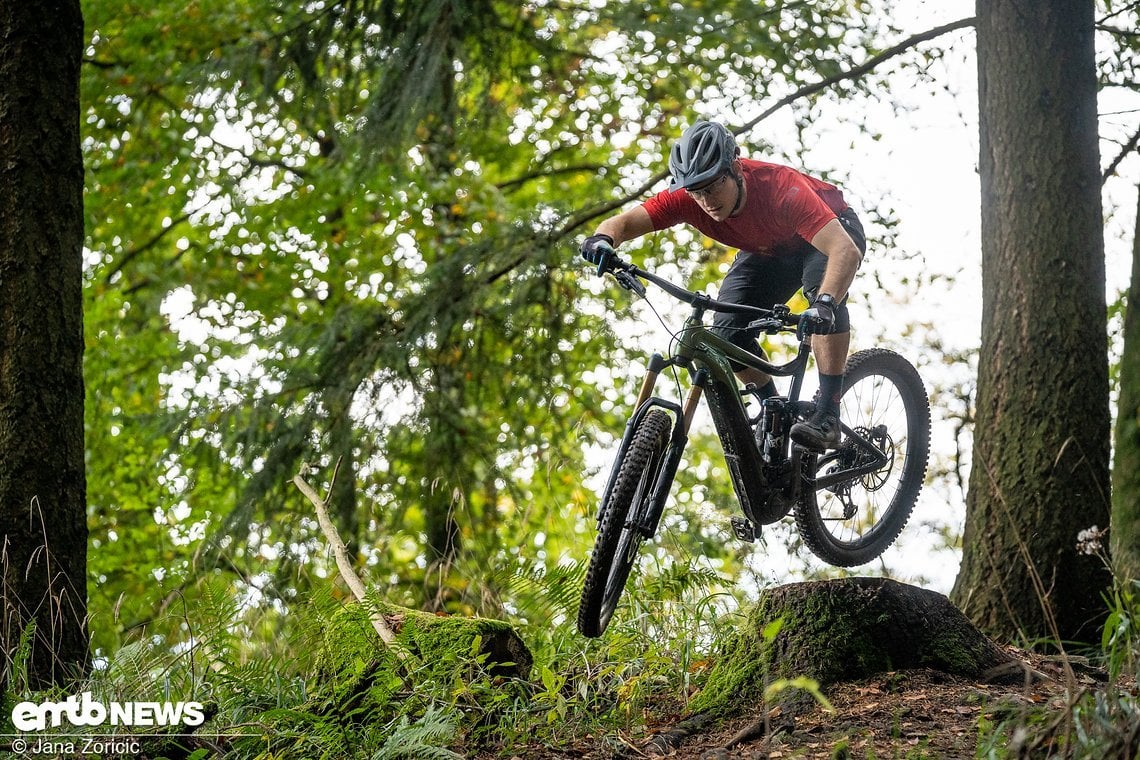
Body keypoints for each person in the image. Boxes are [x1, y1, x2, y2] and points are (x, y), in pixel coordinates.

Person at [579, 120, 867, 450]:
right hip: (770, 249)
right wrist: (602, 239)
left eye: (713, 187)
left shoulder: (780, 188)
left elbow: (843, 250)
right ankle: (774, 413)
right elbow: (626, 222)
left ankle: (829, 415)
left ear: (735, 168)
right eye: (696, 191)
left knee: (823, 300)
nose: (706, 199)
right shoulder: (689, 198)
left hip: (831, 233)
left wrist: (826, 303)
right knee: (728, 334)